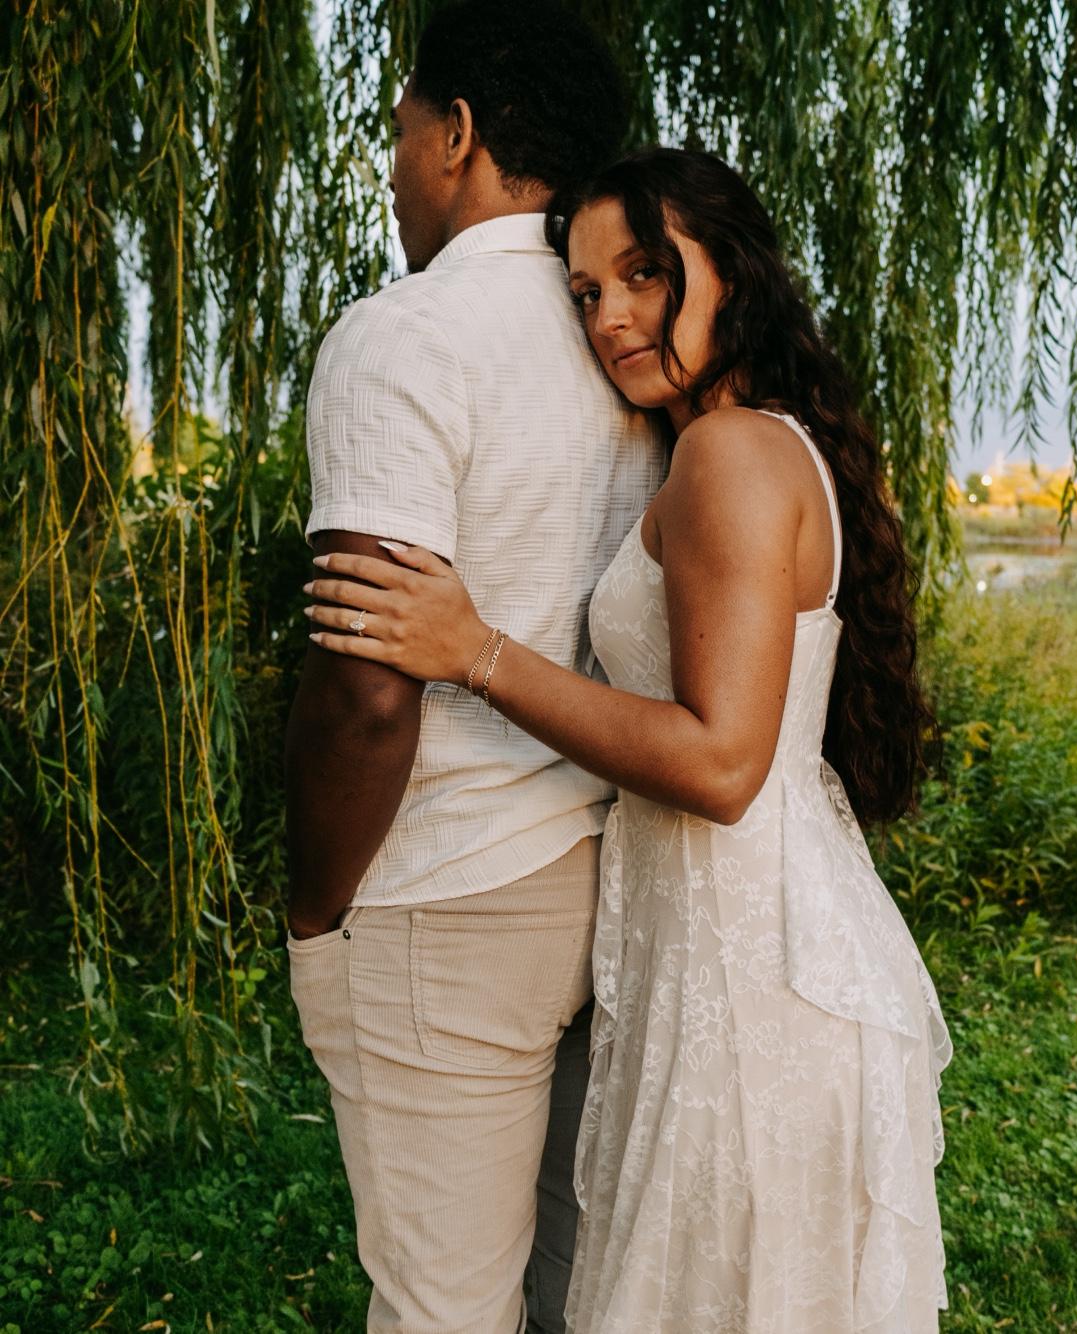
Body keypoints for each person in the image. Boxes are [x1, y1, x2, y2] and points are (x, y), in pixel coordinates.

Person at [304, 148, 953, 1330]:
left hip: (747, 982)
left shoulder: (728, 454)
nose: (609, 318)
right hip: (731, 945)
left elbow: (720, 763)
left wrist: (474, 650)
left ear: (733, 270)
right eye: (586, 290)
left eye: (645, 273)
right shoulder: (748, 441)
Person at [283, 4, 663, 1331]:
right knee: (572, 1284)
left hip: (443, 889)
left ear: (454, 133)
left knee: (442, 1306)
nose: (395, 171)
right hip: (617, 876)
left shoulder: (404, 336)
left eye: (401, 135)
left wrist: (314, 910)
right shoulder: (630, 341)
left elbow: (366, 684)